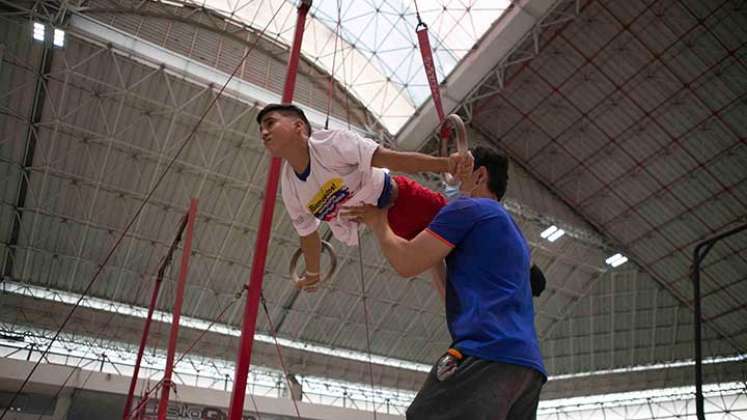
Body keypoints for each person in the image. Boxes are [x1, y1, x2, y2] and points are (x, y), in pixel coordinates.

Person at [343, 145, 546, 420]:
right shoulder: (509, 229)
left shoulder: (467, 209)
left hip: (486, 354)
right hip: (526, 368)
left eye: (458, 171)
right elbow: (453, 297)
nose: (449, 179)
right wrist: (434, 253)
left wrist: (379, 223)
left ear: (480, 175)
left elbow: (406, 263)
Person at [256, 103, 472, 290]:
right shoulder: (290, 187)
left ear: (298, 126)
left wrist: (446, 165)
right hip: (388, 226)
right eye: (261, 129)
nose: (264, 133)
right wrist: (313, 273)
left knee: (470, 238)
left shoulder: (332, 144)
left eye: (270, 123)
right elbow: (308, 234)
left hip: (407, 199)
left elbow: (392, 159)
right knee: (445, 282)